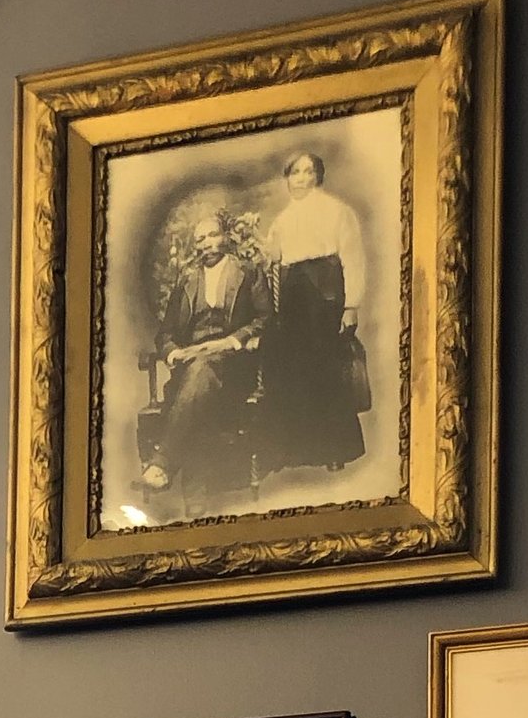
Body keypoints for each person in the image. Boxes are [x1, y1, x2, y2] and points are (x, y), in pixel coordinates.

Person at [142, 214, 268, 517]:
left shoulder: (247, 272)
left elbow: (266, 319)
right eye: (200, 239)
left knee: (200, 380)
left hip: (235, 367)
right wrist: (174, 353)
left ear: (225, 237)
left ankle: (164, 462)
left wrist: (231, 341)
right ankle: (195, 500)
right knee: (198, 383)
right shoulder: (187, 279)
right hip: (190, 367)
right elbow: (165, 334)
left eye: (212, 235)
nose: (206, 244)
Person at [260, 150, 368, 475]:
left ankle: (335, 450)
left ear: (318, 176)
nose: (301, 179)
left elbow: (353, 258)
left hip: (325, 295)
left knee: (327, 368)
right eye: (295, 173)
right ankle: (300, 451)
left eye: (308, 172)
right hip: (293, 297)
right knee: (294, 368)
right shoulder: (283, 219)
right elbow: (275, 258)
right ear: (287, 178)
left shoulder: (337, 212)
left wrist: (351, 306)